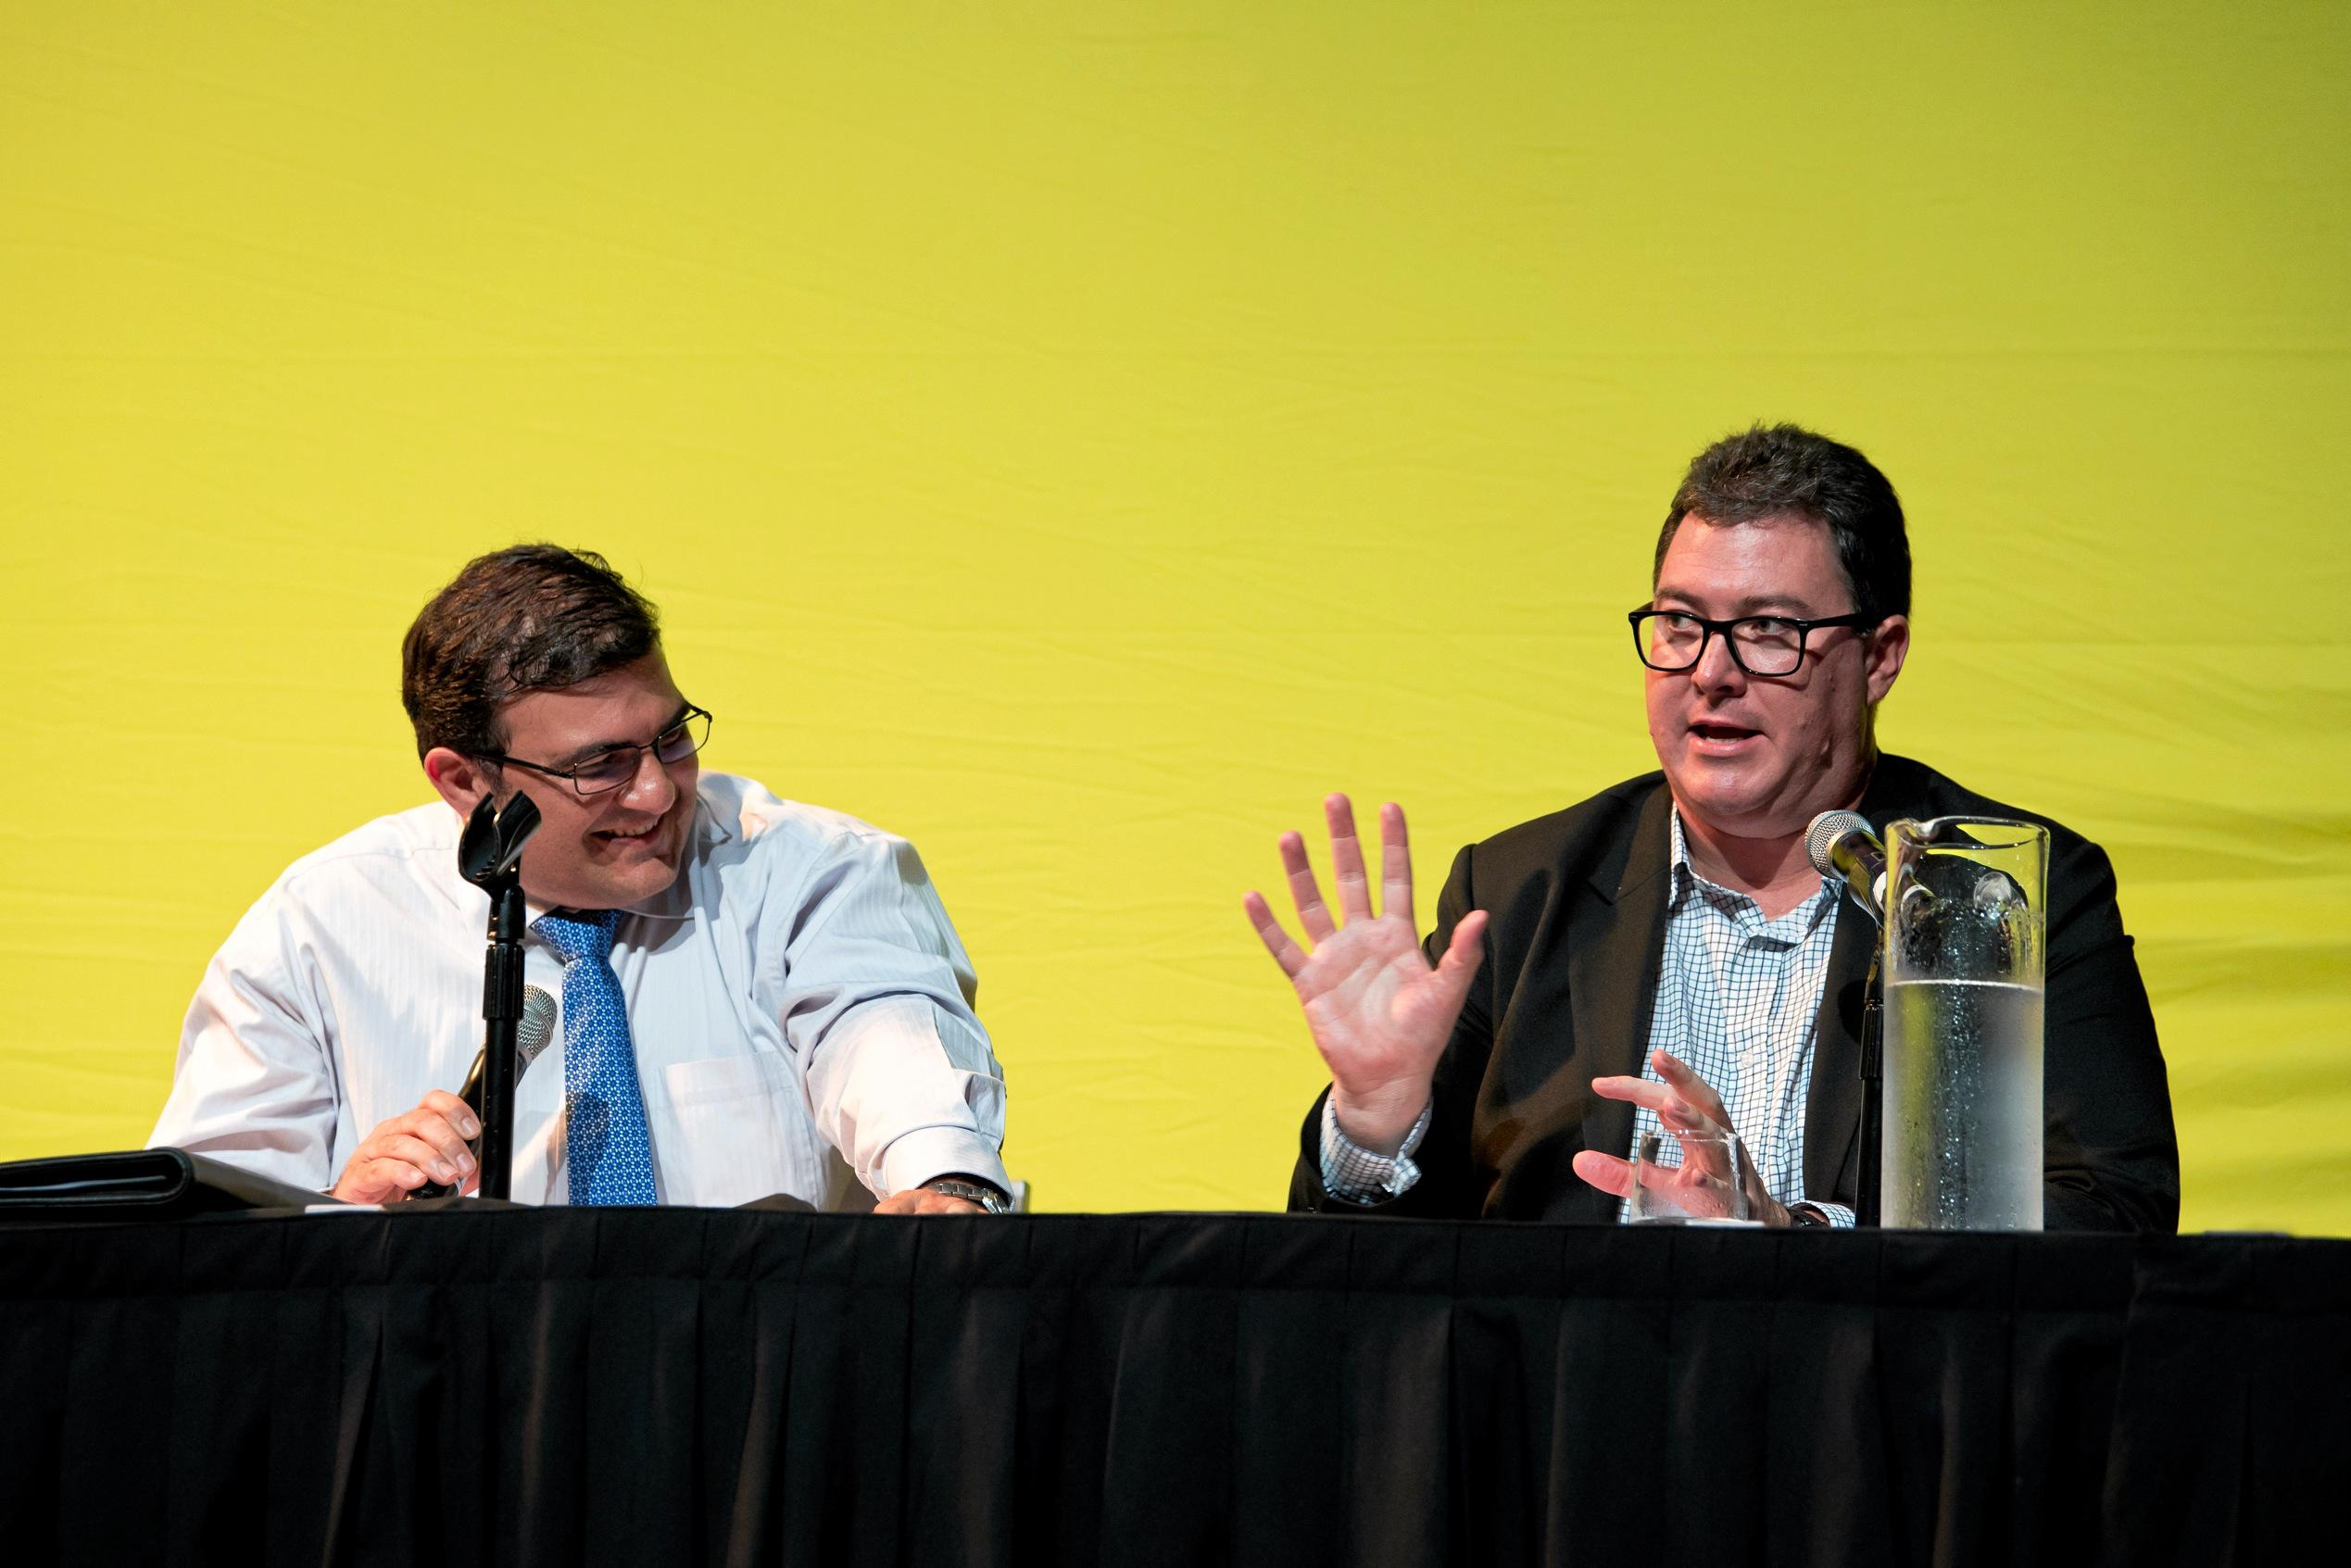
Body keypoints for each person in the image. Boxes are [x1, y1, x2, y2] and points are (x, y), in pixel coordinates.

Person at [1245, 424, 2178, 1229]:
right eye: (1682, 624)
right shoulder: (1519, 895)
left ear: (1880, 656)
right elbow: (1379, 1278)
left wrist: (1796, 1232)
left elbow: (2115, 1209)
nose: (1711, 673)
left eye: (1768, 630)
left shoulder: (1990, 897)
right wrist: (1374, 1122)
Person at [152, 545, 1011, 1213]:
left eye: (671, 736)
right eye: (599, 763)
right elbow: (211, 1241)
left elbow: (891, 1044)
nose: (656, 789)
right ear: (463, 779)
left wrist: (949, 1183)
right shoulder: (317, 927)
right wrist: (340, 1212)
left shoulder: (809, 871)